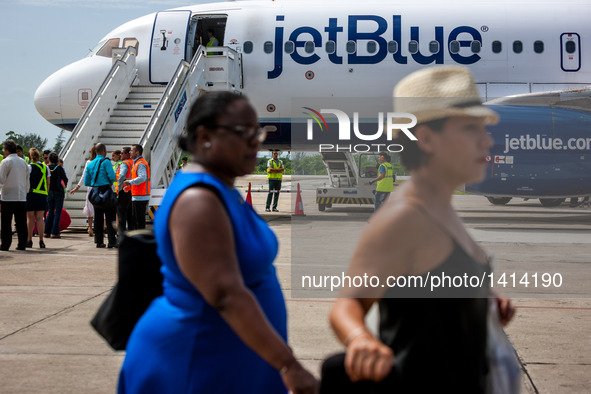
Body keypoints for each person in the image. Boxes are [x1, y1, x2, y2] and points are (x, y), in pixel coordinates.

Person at [321, 66, 516, 393]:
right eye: (471, 128)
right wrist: (360, 341)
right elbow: (347, 306)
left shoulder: (439, 207)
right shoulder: (403, 217)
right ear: (425, 138)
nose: (487, 140)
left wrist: (480, 302)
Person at [118, 91, 317, 394]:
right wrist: (289, 364)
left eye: (257, 131)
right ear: (205, 136)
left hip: (232, 356)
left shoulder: (222, 189)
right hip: (196, 360)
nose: (256, 141)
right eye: (244, 132)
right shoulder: (199, 200)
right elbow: (226, 294)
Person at [84, 143, 117, 248]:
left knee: (97, 218)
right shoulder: (106, 161)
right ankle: (112, 241)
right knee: (110, 217)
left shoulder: (90, 164)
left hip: (95, 193)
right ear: (104, 151)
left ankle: (99, 241)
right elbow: (112, 177)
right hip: (106, 191)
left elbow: (86, 182)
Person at [0, 140, 30, 251]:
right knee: (21, 222)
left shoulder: (5, 162)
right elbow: (27, 180)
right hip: (21, 196)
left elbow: (1, 179)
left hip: (8, 196)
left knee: (6, 223)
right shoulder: (23, 162)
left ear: (7, 151)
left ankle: (5, 244)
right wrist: (25, 191)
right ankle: (22, 244)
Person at [70, 145, 96, 236]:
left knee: (90, 208)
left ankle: (90, 227)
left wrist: (77, 187)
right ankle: (99, 228)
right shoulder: (102, 161)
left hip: (90, 188)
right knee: (99, 209)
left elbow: (84, 176)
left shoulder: (89, 162)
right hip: (100, 187)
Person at [122, 144, 150, 230]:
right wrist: (130, 186)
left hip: (140, 196)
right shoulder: (137, 163)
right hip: (138, 196)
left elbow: (142, 178)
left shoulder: (140, 163)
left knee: (139, 222)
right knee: (137, 221)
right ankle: (139, 241)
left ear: (137, 152)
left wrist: (130, 182)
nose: (130, 152)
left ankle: (140, 241)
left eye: (131, 150)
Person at [26, 148, 49, 248]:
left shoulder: (28, 167)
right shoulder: (45, 167)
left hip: (31, 194)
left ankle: (29, 240)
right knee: (40, 218)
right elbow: (48, 182)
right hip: (42, 194)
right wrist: (45, 193)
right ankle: (41, 241)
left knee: (30, 218)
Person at [44, 152, 68, 239]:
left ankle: (46, 231)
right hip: (58, 192)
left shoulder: (46, 168)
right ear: (57, 159)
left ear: (49, 159)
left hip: (49, 192)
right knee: (57, 212)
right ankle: (54, 232)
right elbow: (65, 179)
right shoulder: (59, 168)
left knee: (50, 212)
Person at [116, 146, 133, 232]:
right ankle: (131, 233)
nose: (120, 155)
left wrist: (119, 188)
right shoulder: (133, 162)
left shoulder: (125, 163)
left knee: (121, 213)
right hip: (131, 189)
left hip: (124, 190)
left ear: (127, 154)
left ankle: (121, 234)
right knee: (130, 214)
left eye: (122, 153)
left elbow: (122, 175)